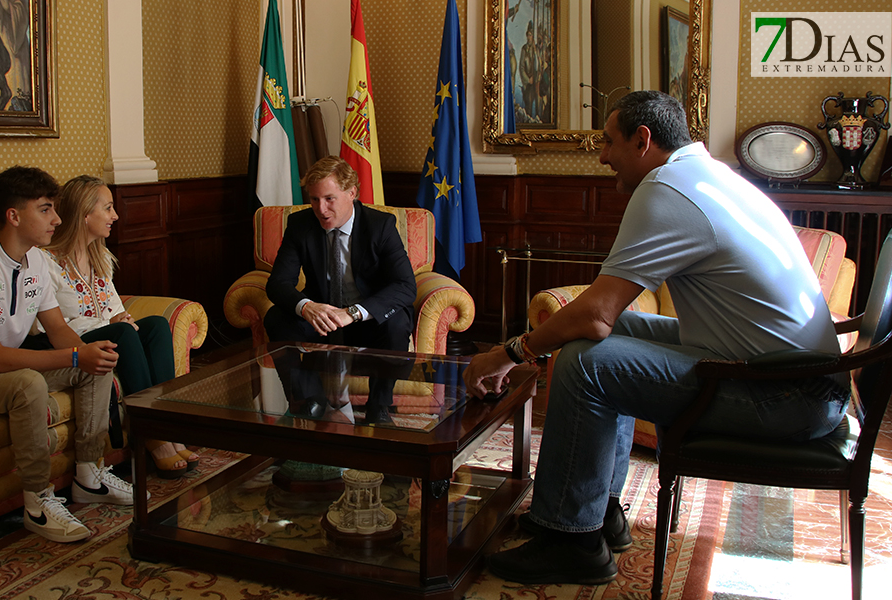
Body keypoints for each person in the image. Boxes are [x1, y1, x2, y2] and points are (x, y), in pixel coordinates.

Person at [464, 90, 849, 585]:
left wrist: (509, 352)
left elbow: (596, 313)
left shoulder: (667, 187)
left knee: (586, 362)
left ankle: (573, 545)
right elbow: (609, 315)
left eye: (608, 142)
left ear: (643, 140)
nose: (602, 156)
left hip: (787, 394)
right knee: (606, 338)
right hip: (798, 378)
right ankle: (595, 514)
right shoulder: (707, 174)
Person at [0, 165, 135, 545]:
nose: (57, 219)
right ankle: (38, 501)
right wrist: (72, 358)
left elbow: (57, 330)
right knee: (29, 383)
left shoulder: (36, 260)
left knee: (96, 361)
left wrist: (86, 354)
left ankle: (89, 474)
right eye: (46, 209)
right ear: (14, 216)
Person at [32, 174, 198, 479]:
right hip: (66, 342)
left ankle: (167, 424)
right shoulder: (46, 262)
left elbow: (115, 309)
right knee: (122, 331)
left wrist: (123, 319)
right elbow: (45, 324)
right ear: (84, 215)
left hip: (106, 332)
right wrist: (112, 323)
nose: (115, 215)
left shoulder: (101, 257)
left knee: (156, 326)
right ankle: (150, 434)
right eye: (107, 208)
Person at [264, 155, 416, 352]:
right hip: (321, 317)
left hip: (368, 315)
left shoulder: (380, 226)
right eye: (314, 199)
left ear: (351, 193)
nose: (321, 209)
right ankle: (307, 384)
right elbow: (278, 283)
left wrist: (352, 313)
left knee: (396, 323)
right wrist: (307, 307)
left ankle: (385, 384)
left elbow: (405, 285)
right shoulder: (299, 225)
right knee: (276, 318)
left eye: (329, 199)